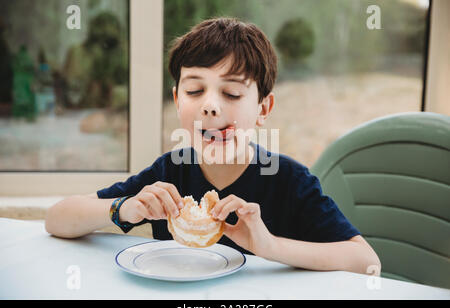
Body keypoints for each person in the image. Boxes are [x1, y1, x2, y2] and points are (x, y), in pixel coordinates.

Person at [46, 17, 381, 275]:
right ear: (177, 101)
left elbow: (366, 262)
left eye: (231, 93)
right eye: (194, 92)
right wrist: (123, 208)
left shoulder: (289, 181)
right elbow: (57, 220)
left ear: (263, 108)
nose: (210, 107)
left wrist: (269, 246)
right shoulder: (168, 172)